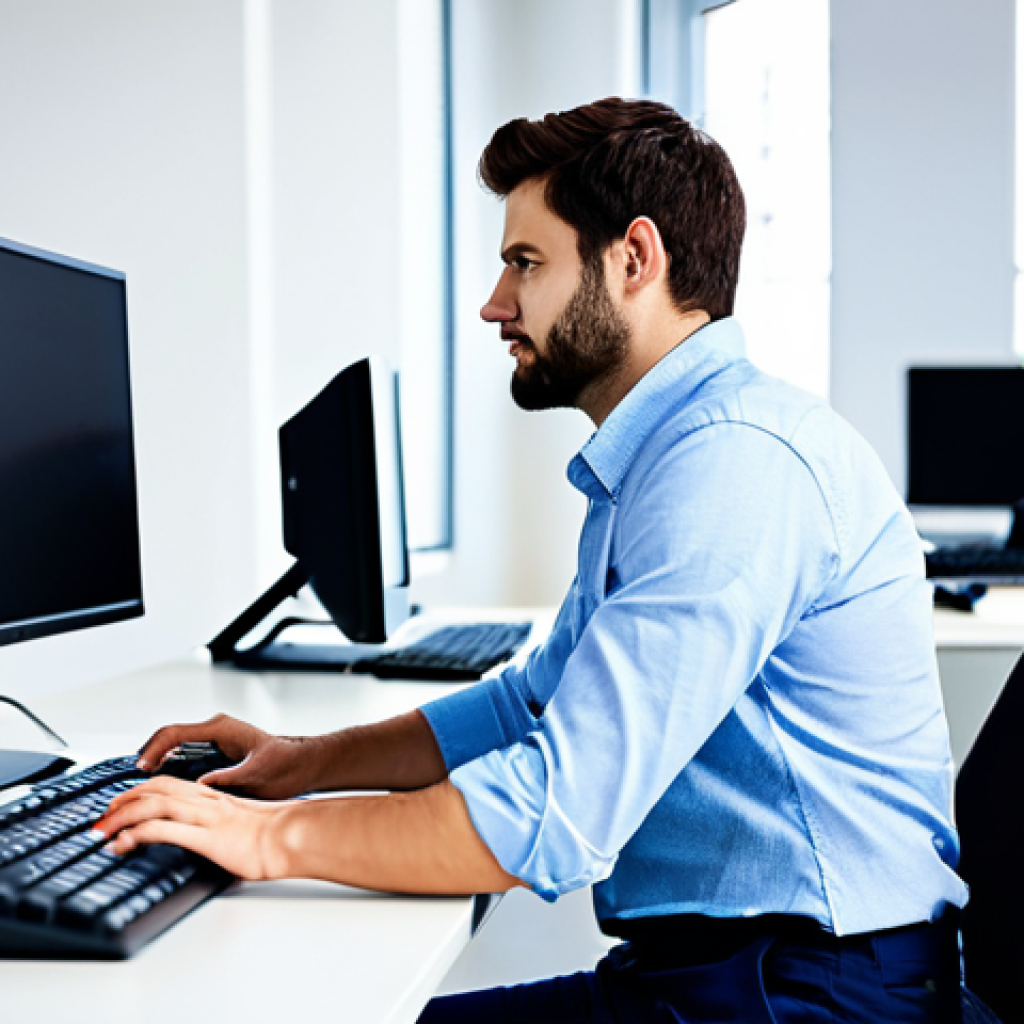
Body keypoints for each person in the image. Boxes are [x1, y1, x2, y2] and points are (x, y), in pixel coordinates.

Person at [96, 98, 968, 1022]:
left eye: (525, 262)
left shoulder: (733, 464)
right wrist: (300, 765)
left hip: (813, 997)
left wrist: (267, 839)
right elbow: (530, 706)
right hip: (734, 978)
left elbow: (559, 809)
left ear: (634, 259)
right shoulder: (668, 454)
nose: (495, 303)